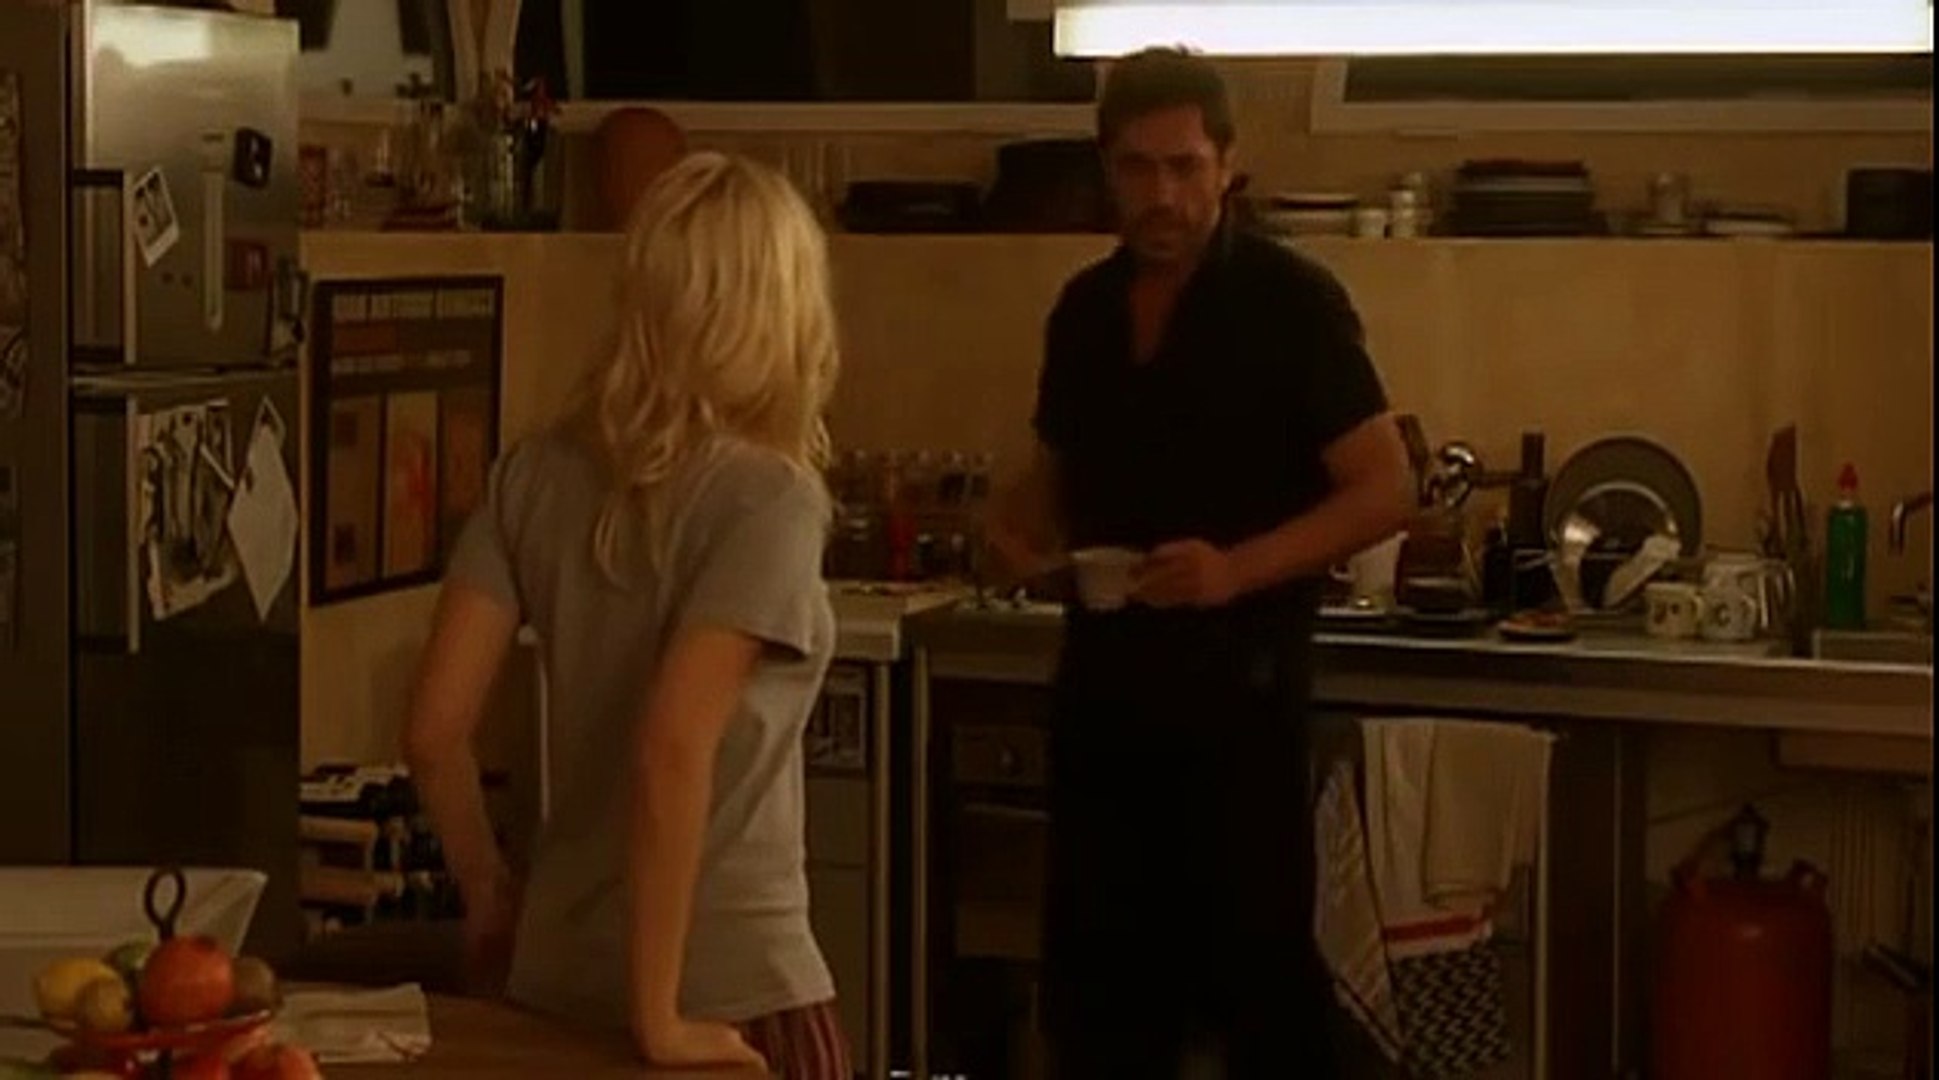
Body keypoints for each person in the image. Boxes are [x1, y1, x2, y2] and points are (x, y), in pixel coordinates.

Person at [987, 48, 1413, 1077]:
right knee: (1098, 1019)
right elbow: (1050, 481)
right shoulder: (1084, 313)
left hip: (1237, 715)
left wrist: (1233, 569)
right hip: (1102, 711)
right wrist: (1013, 541)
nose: (1163, 195)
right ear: (1107, 169)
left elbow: (1386, 487)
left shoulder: (1290, 303)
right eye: (1138, 168)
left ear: (1226, 165)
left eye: (1184, 167)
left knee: (1263, 1017)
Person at [402, 152, 849, 1078]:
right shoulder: (769, 498)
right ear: (784, 310)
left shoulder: (532, 475)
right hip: (727, 992)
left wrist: (488, 894)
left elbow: (434, 731)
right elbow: (672, 747)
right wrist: (660, 1020)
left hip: (556, 983)